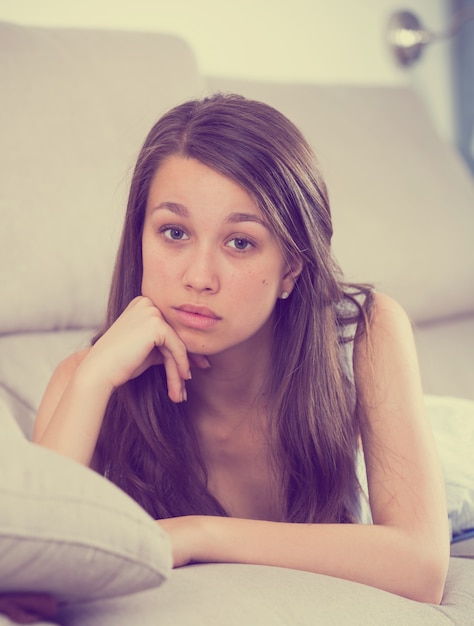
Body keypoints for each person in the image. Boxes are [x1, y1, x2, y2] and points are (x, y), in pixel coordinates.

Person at [34, 93, 449, 603]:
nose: (199, 277)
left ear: (290, 269)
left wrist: (198, 535)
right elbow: (28, 566)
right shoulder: (88, 377)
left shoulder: (365, 332)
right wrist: (93, 378)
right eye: (174, 232)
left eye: (240, 243)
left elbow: (423, 568)